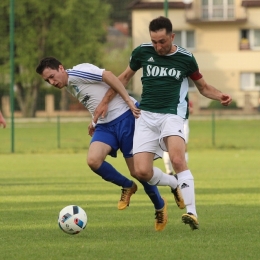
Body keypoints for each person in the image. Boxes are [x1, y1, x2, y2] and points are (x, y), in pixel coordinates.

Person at [114, 16, 232, 230]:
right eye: (154, 42)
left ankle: (192, 212)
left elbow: (203, 87)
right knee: (141, 172)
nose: (158, 46)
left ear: (172, 37)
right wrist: (104, 104)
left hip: (172, 114)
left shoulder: (186, 59)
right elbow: (122, 78)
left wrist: (220, 95)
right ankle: (174, 184)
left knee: (177, 159)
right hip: (146, 116)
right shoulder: (142, 52)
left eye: (162, 41)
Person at [36, 57, 173, 231]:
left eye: (52, 76)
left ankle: (160, 205)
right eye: (47, 80)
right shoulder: (68, 84)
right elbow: (95, 98)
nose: (52, 82)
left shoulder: (77, 72)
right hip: (105, 125)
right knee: (93, 160)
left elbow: (108, 76)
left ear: (61, 68)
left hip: (125, 118)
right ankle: (127, 186)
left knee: (139, 172)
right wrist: (93, 121)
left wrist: (129, 102)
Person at [163, 100, 193, 175]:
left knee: (184, 148)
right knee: (167, 148)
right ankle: (169, 171)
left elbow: (191, 110)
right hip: (169, 124)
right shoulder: (168, 95)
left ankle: (183, 171)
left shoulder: (185, 97)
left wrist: (189, 109)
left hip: (183, 125)